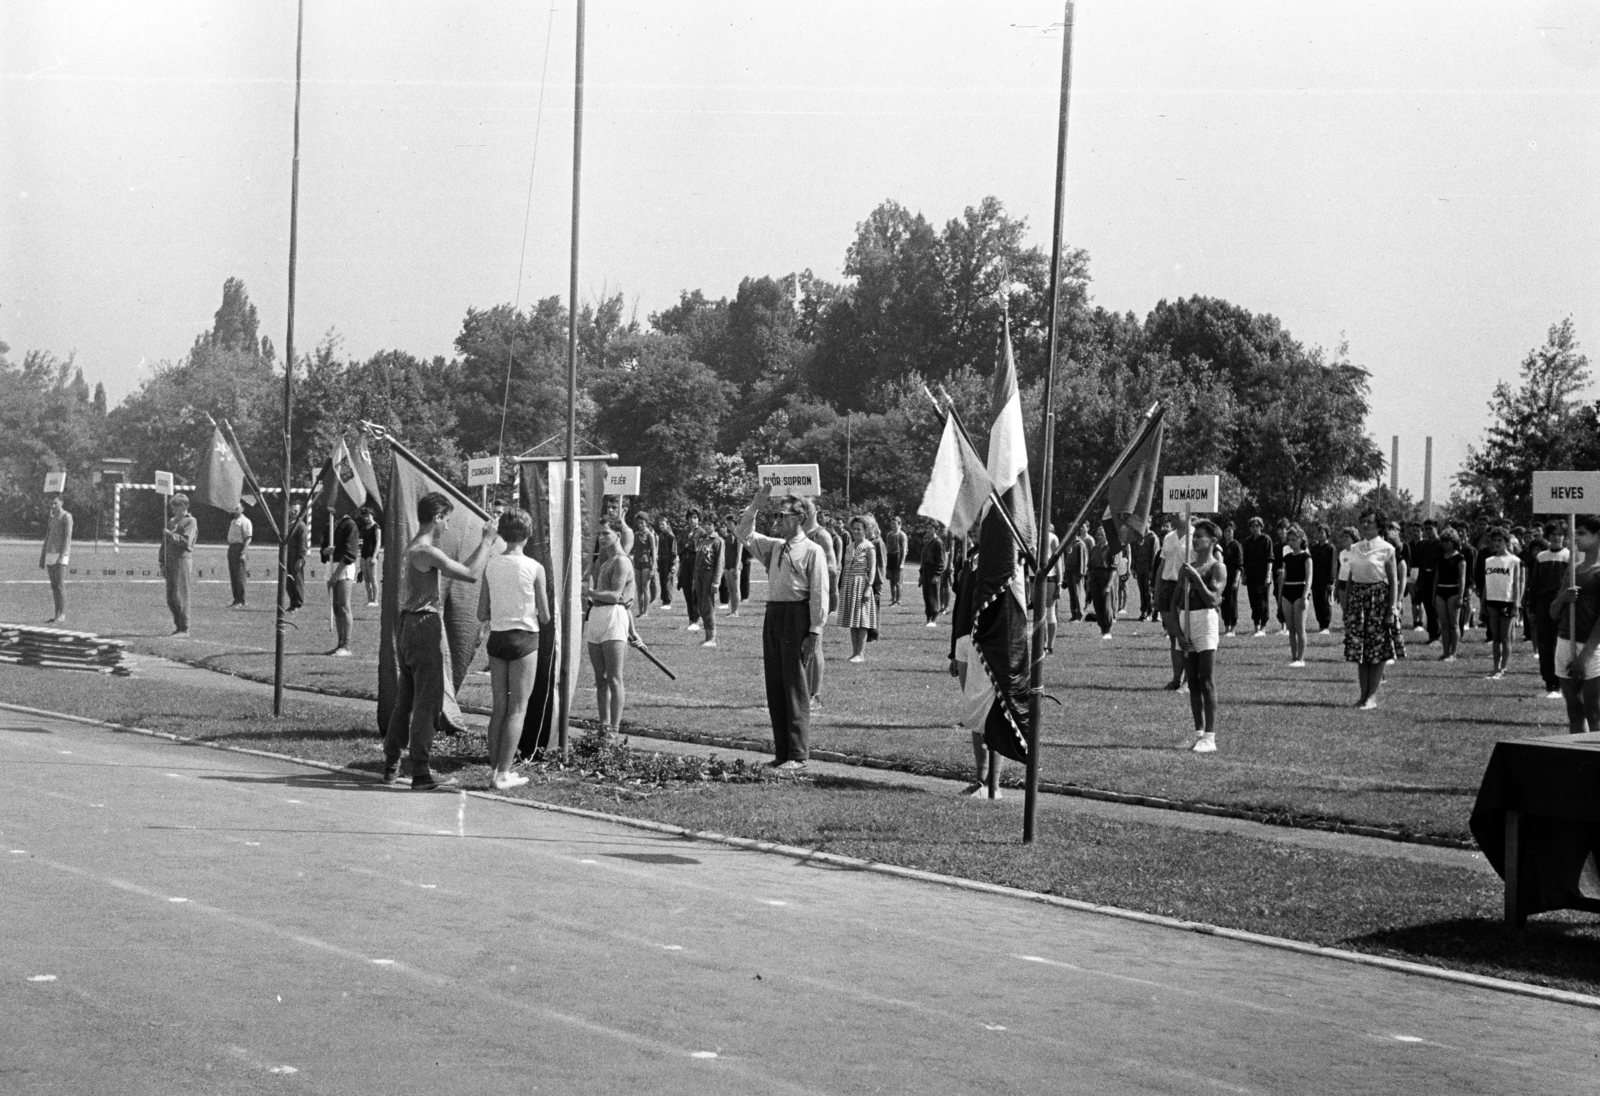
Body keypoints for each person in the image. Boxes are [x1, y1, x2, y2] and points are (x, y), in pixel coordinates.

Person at [383, 491, 498, 791]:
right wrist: (487, 540)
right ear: (436, 518)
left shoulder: (417, 548)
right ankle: (420, 772)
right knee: (429, 701)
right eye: (446, 520)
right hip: (423, 625)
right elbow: (471, 574)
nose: (447, 527)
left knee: (406, 697)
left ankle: (391, 762)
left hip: (408, 624)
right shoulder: (425, 551)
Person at [736, 486, 829, 770]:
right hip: (774, 613)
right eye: (775, 515)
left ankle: (798, 754)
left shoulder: (812, 550)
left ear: (799, 517)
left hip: (797, 615)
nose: (776, 520)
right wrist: (754, 506)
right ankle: (782, 750)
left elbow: (819, 593)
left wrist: (814, 631)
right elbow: (743, 534)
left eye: (782, 515)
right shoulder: (774, 546)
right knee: (775, 684)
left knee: (795, 684)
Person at [477, 507, 550, 790]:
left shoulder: (491, 564)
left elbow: (482, 613)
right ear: (528, 535)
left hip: (497, 637)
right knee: (518, 709)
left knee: (499, 708)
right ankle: (503, 774)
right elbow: (544, 616)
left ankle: (496, 767)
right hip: (524, 637)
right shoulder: (534, 567)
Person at [1340, 509, 1405, 709]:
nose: (1366, 525)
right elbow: (1351, 577)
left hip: (1378, 601)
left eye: (1370, 522)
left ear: (1379, 526)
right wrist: (1348, 604)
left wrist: (1391, 609)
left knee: (1377, 651)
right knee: (1361, 650)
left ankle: (1372, 697)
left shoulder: (1387, 549)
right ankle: (1362, 696)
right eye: (1363, 521)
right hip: (1358, 601)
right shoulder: (1355, 548)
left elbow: (1393, 581)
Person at [1174, 519, 1227, 753]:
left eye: (1200, 537)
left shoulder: (1217, 567)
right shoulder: (1187, 568)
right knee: (1192, 680)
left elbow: (1213, 600)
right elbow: (1173, 603)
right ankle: (1198, 732)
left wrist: (1195, 576)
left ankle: (1210, 736)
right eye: (1194, 537)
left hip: (1205, 621)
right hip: (1186, 622)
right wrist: (1177, 633)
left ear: (1213, 541)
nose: (1195, 540)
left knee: (1206, 679)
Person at [583, 517, 635, 733]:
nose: (602, 538)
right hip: (597, 617)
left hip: (613, 618)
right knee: (600, 679)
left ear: (618, 535)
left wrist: (589, 592)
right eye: (600, 534)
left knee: (614, 678)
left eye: (606, 533)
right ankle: (603, 726)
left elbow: (616, 597)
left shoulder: (622, 561)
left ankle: (614, 729)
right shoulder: (604, 562)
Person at [1551, 514, 1600, 734]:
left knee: (1594, 712)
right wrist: (1564, 598)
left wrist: (1585, 656)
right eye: (1575, 533)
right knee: (1574, 711)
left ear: (1598, 536)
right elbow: (1553, 612)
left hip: (1591, 648)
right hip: (1564, 643)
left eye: (1582, 533)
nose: (1576, 538)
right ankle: (1577, 764)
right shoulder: (1572, 570)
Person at [799, 497, 838, 704]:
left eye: (807, 506)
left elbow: (833, 567)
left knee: (815, 644)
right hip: (797, 597)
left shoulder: (821, 535)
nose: (802, 511)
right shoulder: (796, 534)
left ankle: (814, 693)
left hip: (815, 595)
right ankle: (801, 690)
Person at [1530, 522, 1569, 698]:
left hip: (1561, 604)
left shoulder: (1569, 556)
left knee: (1558, 643)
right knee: (1544, 644)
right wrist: (1531, 607)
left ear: (1565, 536)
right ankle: (1549, 682)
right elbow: (1534, 583)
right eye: (1553, 534)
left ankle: (1560, 681)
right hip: (1542, 605)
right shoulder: (1541, 557)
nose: (1556, 537)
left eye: (1560, 534)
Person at [1480, 528, 1522, 680]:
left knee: (1505, 637)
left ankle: (1504, 667)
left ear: (1506, 542)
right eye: (1494, 540)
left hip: (1507, 601)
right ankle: (1495, 666)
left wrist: (1516, 604)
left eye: (1500, 540)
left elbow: (1516, 583)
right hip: (1492, 601)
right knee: (1495, 637)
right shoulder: (1489, 561)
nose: (1497, 543)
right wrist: (1483, 603)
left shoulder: (1514, 561)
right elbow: (1487, 583)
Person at [838, 515, 880, 662]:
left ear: (866, 530)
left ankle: (860, 653)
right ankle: (854, 652)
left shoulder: (869, 547)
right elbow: (844, 568)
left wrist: (868, 588)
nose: (856, 532)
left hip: (862, 584)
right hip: (849, 584)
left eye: (859, 529)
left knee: (862, 620)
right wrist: (842, 586)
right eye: (854, 529)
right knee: (852, 620)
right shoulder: (849, 546)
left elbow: (872, 569)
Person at [160, 494, 199, 637]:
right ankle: (178, 626)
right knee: (170, 597)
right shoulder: (171, 521)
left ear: (184, 507)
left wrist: (170, 535)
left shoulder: (190, 521)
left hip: (182, 560)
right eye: (172, 508)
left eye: (176, 508)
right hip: (170, 559)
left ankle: (185, 628)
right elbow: (164, 544)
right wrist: (161, 561)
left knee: (180, 594)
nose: (173, 511)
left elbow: (186, 541)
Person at [1157, 515, 1189, 690]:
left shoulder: (1195, 535)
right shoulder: (1169, 537)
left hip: (1185, 586)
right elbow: (1162, 565)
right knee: (1173, 636)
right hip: (1168, 586)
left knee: (1185, 636)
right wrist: (1157, 589)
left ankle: (1187, 681)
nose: (1179, 514)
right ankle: (1176, 678)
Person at [327, 508, 360, 657]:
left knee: (344, 605)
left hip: (344, 567)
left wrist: (335, 574)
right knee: (336, 606)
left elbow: (350, 553)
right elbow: (324, 546)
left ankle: (346, 645)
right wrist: (325, 551)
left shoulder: (350, 525)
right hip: (333, 565)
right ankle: (339, 644)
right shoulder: (332, 524)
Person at [1277, 524, 1311, 666]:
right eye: (1289, 540)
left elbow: (1309, 578)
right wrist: (1279, 599)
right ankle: (1293, 657)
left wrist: (1304, 596)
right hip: (1287, 592)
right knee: (1290, 628)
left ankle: (1301, 659)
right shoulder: (1287, 557)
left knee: (1299, 627)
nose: (1291, 542)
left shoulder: (1306, 557)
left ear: (1301, 539)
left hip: (1300, 591)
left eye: (1294, 539)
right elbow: (1282, 580)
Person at [1433, 528, 1466, 662]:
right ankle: (1445, 652)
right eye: (1443, 541)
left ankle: (1454, 653)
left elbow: (1462, 578)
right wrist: (1433, 595)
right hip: (1441, 591)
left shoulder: (1460, 558)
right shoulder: (1440, 558)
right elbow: (1437, 577)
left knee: (1454, 624)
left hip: (1454, 591)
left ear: (1454, 541)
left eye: (1447, 541)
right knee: (1444, 624)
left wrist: (1460, 596)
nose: (1444, 544)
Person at [691, 514, 724, 647]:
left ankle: (712, 638)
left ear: (715, 526)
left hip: (709, 573)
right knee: (701, 606)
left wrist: (716, 581)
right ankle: (706, 637)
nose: (707, 527)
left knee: (708, 605)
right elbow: (696, 560)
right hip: (699, 574)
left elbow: (720, 563)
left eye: (710, 524)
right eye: (705, 524)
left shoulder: (718, 540)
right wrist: (694, 579)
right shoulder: (701, 539)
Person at [39, 494, 72, 623]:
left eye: (55, 503)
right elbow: (47, 537)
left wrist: (62, 555)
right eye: (51, 504)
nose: (53, 506)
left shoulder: (67, 517)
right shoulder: (51, 517)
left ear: (61, 502)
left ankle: (62, 614)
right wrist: (42, 556)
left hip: (61, 554)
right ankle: (56, 614)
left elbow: (67, 537)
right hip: (50, 553)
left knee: (59, 584)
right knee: (53, 585)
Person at [1411, 519, 1443, 644]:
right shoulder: (1423, 545)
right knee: (1428, 607)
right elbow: (1421, 565)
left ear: (1436, 529)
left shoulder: (1441, 544)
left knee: (1435, 608)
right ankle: (1431, 634)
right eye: (1426, 529)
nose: (1428, 531)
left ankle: (1437, 635)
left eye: (1430, 529)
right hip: (1425, 578)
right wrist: (1418, 583)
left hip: (1437, 579)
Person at [1241, 517, 1274, 636]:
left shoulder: (1266, 539)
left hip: (1262, 574)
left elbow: (1270, 559)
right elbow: (1244, 561)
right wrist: (1243, 576)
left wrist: (1268, 575)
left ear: (1261, 526)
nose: (1254, 528)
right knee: (1253, 601)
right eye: (1252, 526)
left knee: (1262, 601)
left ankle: (1263, 627)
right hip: (1251, 574)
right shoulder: (1248, 541)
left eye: (1256, 526)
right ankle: (1256, 627)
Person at [1086, 524, 1117, 639]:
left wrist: (1109, 585)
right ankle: (1102, 629)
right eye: (1098, 535)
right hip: (1094, 577)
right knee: (1097, 604)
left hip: (1106, 576)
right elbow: (1089, 566)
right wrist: (1089, 582)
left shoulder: (1111, 548)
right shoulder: (1094, 549)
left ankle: (1108, 629)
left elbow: (1113, 569)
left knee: (1107, 604)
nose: (1100, 537)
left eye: (1102, 534)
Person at [1309, 523, 1336, 635]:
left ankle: (1326, 626)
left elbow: (1333, 565)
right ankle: (1320, 625)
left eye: (1322, 533)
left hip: (1326, 581)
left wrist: (1331, 581)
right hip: (1315, 580)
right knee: (1317, 602)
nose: (1320, 535)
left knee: (1325, 602)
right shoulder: (1314, 548)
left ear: (1327, 534)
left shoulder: (1331, 548)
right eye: (1318, 533)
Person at [919, 522, 948, 627]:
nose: (928, 530)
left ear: (936, 529)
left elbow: (941, 561)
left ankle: (934, 618)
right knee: (926, 595)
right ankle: (928, 617)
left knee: (933, 595)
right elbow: (923, 559)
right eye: (927, 528)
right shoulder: (927, 542)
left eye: (931, 528)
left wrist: (937, 574)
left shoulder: (938, 543)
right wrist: (921, 573)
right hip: (926, 571)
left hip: (933, 572)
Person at [1219, 521, 1244, 636]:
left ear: (1233, 532)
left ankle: (1232, 629)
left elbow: (1239, 565)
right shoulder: (1221, 546)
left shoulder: (1236, 546)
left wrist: (1236, 580)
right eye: (1226, 531)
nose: (1228, 533)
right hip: (1222, 577)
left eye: (1230, 531)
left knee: (1232, 602)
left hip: (1233, 577)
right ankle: (1226, 627)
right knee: (1223, 602)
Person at [631, 511, 658, 617]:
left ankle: (646, 612)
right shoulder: (636, 535)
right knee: (639, 589)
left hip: (646, 563)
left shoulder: (650, 535)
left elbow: (654, 552)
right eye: (639, 523)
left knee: (645, 587)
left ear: (646, 523)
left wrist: (653, 567)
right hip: (636, 563)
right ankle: (640, 611)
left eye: (642, 523)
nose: (640, 525)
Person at [225, 504, 252, 608]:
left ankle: (241, 600)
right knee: (233, 575)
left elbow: (248, 538)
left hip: (239, 548)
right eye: (233, 508)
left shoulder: (245, 521)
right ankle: (236, 599)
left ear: (242, 509)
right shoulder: (233, 521)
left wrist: (243, 552)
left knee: (240, 575)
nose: (235, 511)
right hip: (232, 547)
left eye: (237, 508)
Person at [678, 509, 701, 629]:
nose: (693, 520)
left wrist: (689, 547)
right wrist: (679, 568)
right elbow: (680, 550)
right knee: (686, 590)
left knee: (694, 591)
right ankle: (690, 618)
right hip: (685, 563)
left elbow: (698, 549)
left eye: (695, 517)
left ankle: (696, 619)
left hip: (695, 563)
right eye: (691, 518)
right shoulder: (685, 532)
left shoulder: (701, 532)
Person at [285, 504, 309, 612]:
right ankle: (292, 602)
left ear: (299, 512)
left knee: (297, 580)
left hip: (296, 555)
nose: (293, 512)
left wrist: (301, 558)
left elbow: (303, 543)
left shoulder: (301, 526)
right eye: (292, 509)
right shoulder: (287, 524)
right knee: (288, 580)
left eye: (296, 510)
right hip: (287, 554)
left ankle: (298, 604)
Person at [1133, 525, 1159, 621]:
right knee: (1142, 590)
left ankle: (1151, 611)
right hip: (1140, 565)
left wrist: (1152, 570)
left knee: (1148, 590)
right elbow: (1135, 553)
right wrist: (1134, 567)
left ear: (1149, 523)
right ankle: (1143, 611)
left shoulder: (1153, 537)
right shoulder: (1138, 537)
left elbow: (1154, 554)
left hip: (1148, 565)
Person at [720, 514, 743, 616]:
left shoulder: (739, 536)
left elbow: (739, 553)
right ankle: (732, 610)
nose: (728, 525)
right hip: (727, 566)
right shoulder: (727, 536)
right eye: (727, 523)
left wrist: (737, 567)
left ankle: (736, 611)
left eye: (730, 523)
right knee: (730, 589)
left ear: (735, 524)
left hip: (735, 566)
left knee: (736, 589)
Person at [359, 506, 381, 607]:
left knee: (373, 578)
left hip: (372, 554)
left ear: (372, 515)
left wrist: (374, 556)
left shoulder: (376, 527)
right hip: (363, 554)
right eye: (364, 517)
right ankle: (369, 599)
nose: (366, 518)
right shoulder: (364, 528)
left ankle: (375, 600)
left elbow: (378, 542)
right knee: (366, 579)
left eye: (368, 516)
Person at [655, 515, 677, 609]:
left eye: (663, 524)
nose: (661, 526)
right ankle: (664, 600)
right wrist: (658, 562)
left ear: (667, 525)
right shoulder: (661, 535)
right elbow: (659, 550)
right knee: (662, 580)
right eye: (660, 524)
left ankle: (668, 601)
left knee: (668, 580)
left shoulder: (670, 535)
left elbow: (673, 550)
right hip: (662, 560)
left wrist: (673, 564)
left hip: (668, 560)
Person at [885, 516, 909, 606]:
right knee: (891, 581)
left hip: (898, 557)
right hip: (890, 557)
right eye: (891, 524)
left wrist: (902, 563)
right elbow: (888, 548)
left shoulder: (902, 535)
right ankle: (893, 599)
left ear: (900, 524)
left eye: (894, 524)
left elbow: (904, 550)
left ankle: (898, 600)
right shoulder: (889, 534)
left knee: (898, 582)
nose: (893, 526)